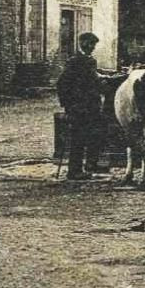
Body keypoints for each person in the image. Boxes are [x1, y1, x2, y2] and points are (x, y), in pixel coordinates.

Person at [56, 32, 105, 181]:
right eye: (89, 44)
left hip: (92, 106)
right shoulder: (75, 61)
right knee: (78, 138)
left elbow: (91, 78)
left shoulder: (89, 60)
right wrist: (69, 106)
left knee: (94, 134)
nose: (91, 47)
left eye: (93, 45)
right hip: (79, 107)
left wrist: (101, 78)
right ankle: (74, 170)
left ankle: (91, 164)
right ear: (82, 43)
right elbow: (62, 84)